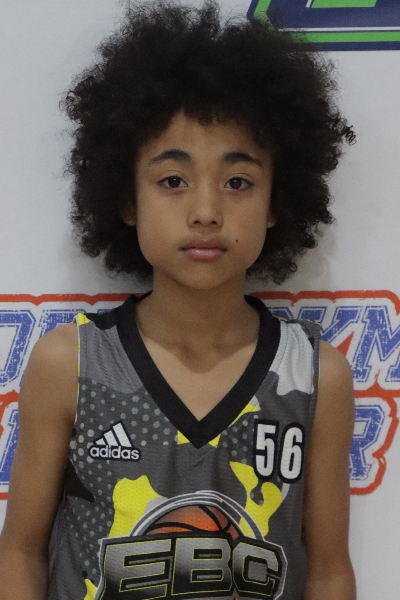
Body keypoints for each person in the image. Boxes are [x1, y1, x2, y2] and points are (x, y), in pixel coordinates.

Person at [0, 1, 357, 599]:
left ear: (277, 201)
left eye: (238, 181)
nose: (206, 211)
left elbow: (327, 569)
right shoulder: (71, 364)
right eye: (173, 180)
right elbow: (20, 552)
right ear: (126, 197)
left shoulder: (317, 376)